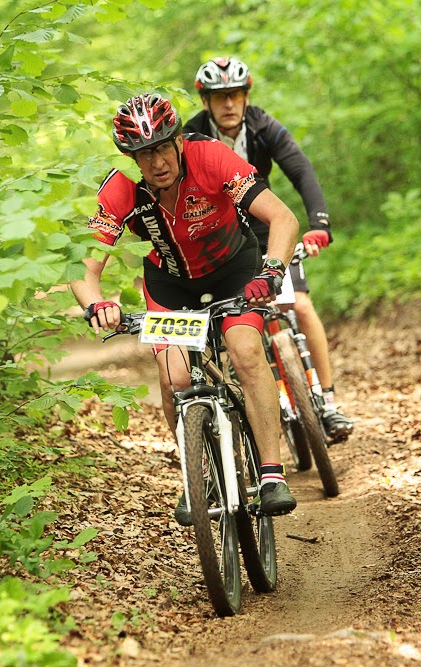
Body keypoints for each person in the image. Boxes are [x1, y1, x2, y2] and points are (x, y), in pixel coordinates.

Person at [70, 93, 301, 524]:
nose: (156, 162)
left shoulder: (211, 158)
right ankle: (198, 473)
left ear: (178, 140)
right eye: (144, 154)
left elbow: (283, 218)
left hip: (235, 269)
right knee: (174, 377)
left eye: (162, 147)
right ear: (131, 158)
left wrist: (271, 271)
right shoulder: (122, 188)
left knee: (245, 350)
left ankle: (272, 474)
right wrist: (96, 303)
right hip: (171, 282)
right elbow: (83, 265)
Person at [184, 57, 354, 444]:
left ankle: (327, 400)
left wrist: (319, 224)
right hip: (218, 238)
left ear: (246, 96)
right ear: (206, 101)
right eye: (220, 97)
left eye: (235, 95)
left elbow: (301, 170)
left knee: (301, 306)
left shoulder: (264, 127)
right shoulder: (192, 135)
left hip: (265, 229)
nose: (229, 104)